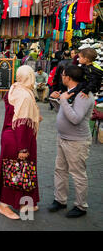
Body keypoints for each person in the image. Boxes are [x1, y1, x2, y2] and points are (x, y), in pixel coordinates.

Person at [0, 66, 41, 220]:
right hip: (18, 139)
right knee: (14, 172)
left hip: (10, 136)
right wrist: (22, 148)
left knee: (20, 171)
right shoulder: (25, 95)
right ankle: (3, 205)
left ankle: (22, 202)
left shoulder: (15, 88)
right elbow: (21, 123)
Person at [48, 65, 94, 218]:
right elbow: (63, 111)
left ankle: (81, 206)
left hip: (77, 142)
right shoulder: (69, 92)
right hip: (63, 138)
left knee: (77, 174)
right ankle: (60, 200)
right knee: (60, 170)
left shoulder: (83, 95)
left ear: (68, 77)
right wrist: (56, 100)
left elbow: (75, 119)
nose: (61, 76)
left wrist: (63, 101)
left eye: (62, 74)